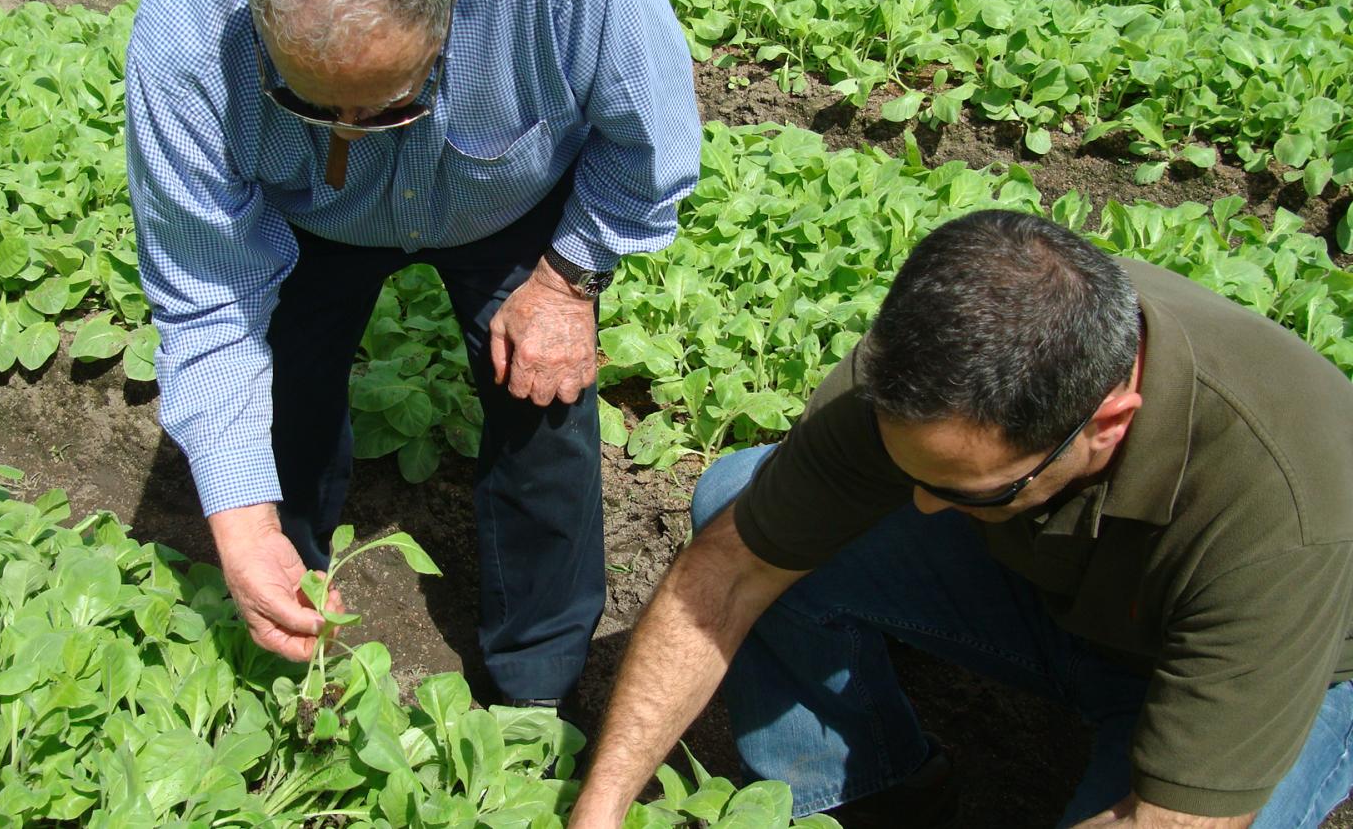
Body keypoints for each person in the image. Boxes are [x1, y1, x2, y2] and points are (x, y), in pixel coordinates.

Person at [569, 210, 1353, 828]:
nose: (922, 507)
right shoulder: (935, 369)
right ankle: (873, 788)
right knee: (744, 494)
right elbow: (729, 571)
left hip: (1291, 676)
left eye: (973, 491)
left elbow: (1176, 819)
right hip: (1073, 602)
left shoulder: (1282, 504)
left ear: (1107, 425)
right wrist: (598, 813)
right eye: (910, 470)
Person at [122, 0, 699, 710]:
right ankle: (290, 627)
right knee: (285, 393)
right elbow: (207, 292)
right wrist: (243, 521)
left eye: (391, 103)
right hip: (307, 215)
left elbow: (651, 147)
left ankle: (533, 692)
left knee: (543, 414)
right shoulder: (192, 10)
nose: (351, 129)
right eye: (308, 103)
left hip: (511, 198)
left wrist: (568, 283)